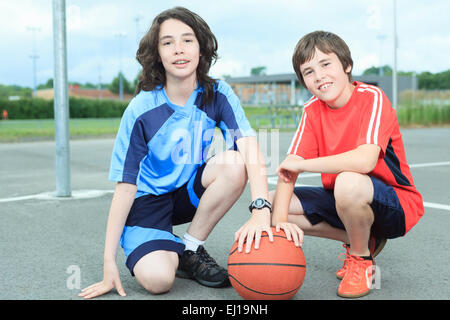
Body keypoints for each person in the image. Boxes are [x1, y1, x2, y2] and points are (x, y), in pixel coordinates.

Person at [79, 7, 273, 299]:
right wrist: (108, 262)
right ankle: (165, 246)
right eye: (168, 42)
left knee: (235, 162)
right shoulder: (142, 109)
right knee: (159, 281)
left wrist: (261, 210)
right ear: (157, 53)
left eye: (187, 40)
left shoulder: (218, 94)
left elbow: (250, 148)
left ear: (201, 47)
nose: (178, 50)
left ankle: (191, 248)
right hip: (148, 201)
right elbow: (125, 185)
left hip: (187, 193)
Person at [270, 31, 424, 298]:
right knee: (274, 202)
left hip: (394, 202)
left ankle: (361, 259)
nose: (318, 76)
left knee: (348, 180)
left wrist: (306, 165)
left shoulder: (371, 98)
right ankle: (363, 239)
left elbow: (364, 161)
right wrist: (280, 225)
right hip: (344, 199)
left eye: (325, 64)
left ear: (347, 65)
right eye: (308, 71)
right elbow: (289, 168)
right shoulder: (311, 110)